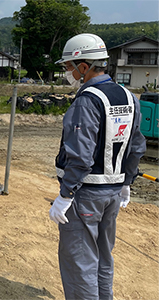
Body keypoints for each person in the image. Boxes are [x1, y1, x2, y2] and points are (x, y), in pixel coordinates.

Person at [51, 33, 146, 300]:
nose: (68, 72)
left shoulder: (87, 100)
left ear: (84, 66)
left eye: (69, 67)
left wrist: (65, 195)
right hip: (113, 193)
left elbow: (80, 156)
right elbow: (137, 146)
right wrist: (127, 181)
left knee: (80, 263)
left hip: (85, 195)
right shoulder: (129, 96)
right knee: (103, 257)